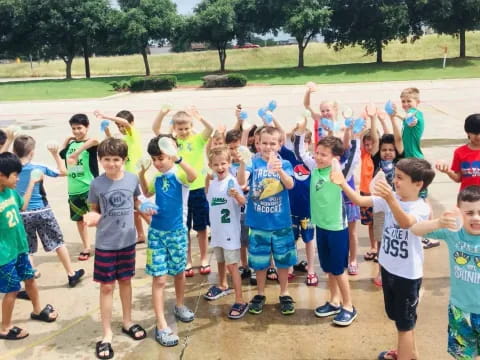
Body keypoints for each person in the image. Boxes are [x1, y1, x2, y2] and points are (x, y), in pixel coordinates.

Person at [336, 157, 435, 359]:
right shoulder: (392, 198)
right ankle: (410, 353)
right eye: (394, 177)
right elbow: (360, 200)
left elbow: (406, 223)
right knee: (400, 319)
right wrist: (342, 182)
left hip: (407, 276)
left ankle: (404, 355)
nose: (395, 182)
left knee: (405, 324)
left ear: (418, 184)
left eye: (400, 178)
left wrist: (390, 199)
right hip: (389, 269)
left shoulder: (420, 207)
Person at [84, 138, 147, 359]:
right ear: (100, 160)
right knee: (107, 288)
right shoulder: (96, 184)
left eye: (116, 159)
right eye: (107, 159)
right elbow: (94, 209)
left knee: (126, 282)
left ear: (124, 160)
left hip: (127, 241)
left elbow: (138, 203)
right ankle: (107, 334)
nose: (112, 164)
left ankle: (128, 321)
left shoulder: (132, 179)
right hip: (106, 244)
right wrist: (92, 217)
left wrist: (149, 216)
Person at [138, 134, 197, 347]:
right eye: (154, 159)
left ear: (171, 156)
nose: (157, 163)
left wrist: (178, 158)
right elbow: (146, 192)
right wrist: (142, 173)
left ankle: (179, 305)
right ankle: (161, 324)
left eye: (160, 158)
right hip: (156, 233)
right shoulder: (157, 178)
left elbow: (194, 175)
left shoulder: (179, 175)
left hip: (177, 233)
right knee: (160, 279)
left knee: (179, 272)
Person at [294, 131, 357, 326]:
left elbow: (353, 156)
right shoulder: (314, 168)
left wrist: (355, 136)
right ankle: (334, 301)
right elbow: (300, 153)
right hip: (320, 226)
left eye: (324, 154)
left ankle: (348, 306)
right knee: (329, 269)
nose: (318, 157)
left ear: (334, 158)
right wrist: (299, 130)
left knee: (339, 270)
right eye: (317, 153)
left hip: (337, 228)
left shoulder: (338, 173)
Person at [411, 185, 480, 360]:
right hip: (460, 311)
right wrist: (438, 222)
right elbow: (415, 230)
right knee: (464, 357)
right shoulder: (453, 232)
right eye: (469, 212)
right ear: (459, 212)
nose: (476, 218)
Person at [237, 126, 297, 316]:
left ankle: (284, 292)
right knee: (260, 262)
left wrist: (279, 171)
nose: (268, 147)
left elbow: (290, 184)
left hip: (281, 223)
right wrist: (241, 164)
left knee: (283, 260)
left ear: (280, 145)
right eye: (264, 143)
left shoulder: (285, 163)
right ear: (257, 144)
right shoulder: (253, 163)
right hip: (258, 223)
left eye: (273, 143)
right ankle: (260, 293)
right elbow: (241, 183)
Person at [0, 152, 58, 340]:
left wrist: (32, 184)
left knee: (30, 279)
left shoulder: (10, 192)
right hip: (4, 255)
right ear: (1, 175)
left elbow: (22, 207)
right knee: (12, 290)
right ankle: (5, 327)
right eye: (15, 175)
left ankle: (37, 309)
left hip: (20, 248)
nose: (18, 178)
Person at [13, 135, 84, 287]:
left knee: (28, 249)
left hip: (22, 213)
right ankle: (71, 274)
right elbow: (64, 172)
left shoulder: (11, 169)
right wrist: (54, 154)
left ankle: (29, 282)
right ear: (32, 152)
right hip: (42, 210)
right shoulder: (38, 167)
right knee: (58, 242)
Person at [152, 107, 213, 277]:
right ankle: (187, 260)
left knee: (201, 227)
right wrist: (162, 113)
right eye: (180, 129)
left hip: (198, 188)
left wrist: (200, 117)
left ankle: (204, 258)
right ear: (174, 128)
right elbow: (156, 129)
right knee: (183, 227)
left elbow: (210, 129)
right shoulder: (171, 142)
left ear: (191, 126)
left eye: (186, 128)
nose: (184, 131)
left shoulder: (198, 140)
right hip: (179, 190)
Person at [203, 146, 248, 319]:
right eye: (216, 164)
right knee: (220, 261)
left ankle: (240, 299)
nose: (220, 167)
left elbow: (243, 202)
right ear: (210, 165)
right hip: (217, 232)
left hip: (230, 233)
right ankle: (222, 285)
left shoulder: (232, 181)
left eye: (223, 163)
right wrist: (207, 181)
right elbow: (209, 196)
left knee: (232, 266)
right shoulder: (213, 183)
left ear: (229, 163)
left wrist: (236, 195)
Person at [94, 109, 145, 243]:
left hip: (137, 178)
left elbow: (126, 123)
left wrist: (105, 115)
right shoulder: (125, 139)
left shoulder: (133, 134)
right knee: (133, 211)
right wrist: (106, 130)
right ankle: (140, 235)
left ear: (131, 123)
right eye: (119, 127)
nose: (121, 128)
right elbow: (112, 143)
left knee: (142, 208)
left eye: (122, 125)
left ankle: (157, 231)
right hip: (127, 178)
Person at [59, 114, 99, 261]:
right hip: (73, 189)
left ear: (87, 127)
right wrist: (67, 140)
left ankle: (104, 244)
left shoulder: (90, 144)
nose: (76, 131)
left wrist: (77, 152)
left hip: (89, 188)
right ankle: (87, 246)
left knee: (97, 218)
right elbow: (62, 154)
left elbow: (95, 141)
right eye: (73, 128)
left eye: (79, 128)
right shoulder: (71, 144)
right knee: (80, 220)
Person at [225, 128, 253, 283]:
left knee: (251, 240)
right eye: (231, 148)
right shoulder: (227, 166)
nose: (234, 151)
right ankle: (245, 265)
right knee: (241, 241)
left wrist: (246, 131)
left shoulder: (248, 163)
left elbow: (242, 183)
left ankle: (256, 266)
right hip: (234, 211)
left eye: (237, 148)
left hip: (249, 209)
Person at [436, 114, 480, 190]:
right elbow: (458, 178)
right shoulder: (460, 152)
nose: (478, 137)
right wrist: (448, 171)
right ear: (468, 132)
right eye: (475, 133)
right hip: (467, 198)